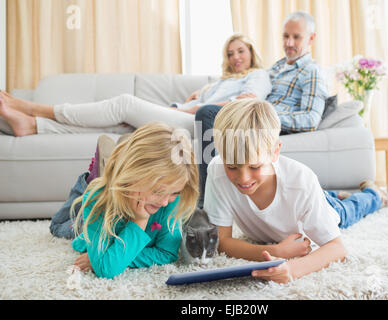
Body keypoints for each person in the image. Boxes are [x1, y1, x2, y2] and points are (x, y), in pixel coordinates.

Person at [203, 99, 388, 284]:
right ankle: (333, 194)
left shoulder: (301, 181)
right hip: (305, 201)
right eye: (232, 166)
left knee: (349, 210)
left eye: (254, 166)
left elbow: (336, 248)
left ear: (275, 151)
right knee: (327, 198)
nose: (243, 178)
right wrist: (277, 252)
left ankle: (374, 195)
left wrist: (292, 269)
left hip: (324, 206)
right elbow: (222, 242)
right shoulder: (217, 170)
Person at [0, 33, 271, 138]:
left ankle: (32, 107)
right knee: (120, 125)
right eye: (230, 53)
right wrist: (199, 95)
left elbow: (246, 103)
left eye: (240, 51)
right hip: (181, 113)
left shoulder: (258, 75)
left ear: (251, 52)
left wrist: (195, 107)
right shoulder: (221, 81)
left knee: (123, 104)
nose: (235, 57)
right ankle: (34, 126)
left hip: (199, 125)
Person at [195, 11, 328, 207]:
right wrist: (201, 93)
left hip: (266, 122)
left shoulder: (312, 72)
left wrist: (265, 112)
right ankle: (215, 195)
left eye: (296, 37)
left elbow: (310, 119)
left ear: (311, 38)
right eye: (285, 36)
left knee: (206, 113)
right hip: (252, 115)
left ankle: (205, 202)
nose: (289, 43)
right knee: (207, 111)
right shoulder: (276, 67)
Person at [70, 122, 199, 279]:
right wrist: (139, 221)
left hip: (121, 183)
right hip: (101, 198)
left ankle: (116, 151)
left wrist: (113, 256)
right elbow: (106, 268)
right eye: (158, 191)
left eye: (175, 192)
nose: (165, 202)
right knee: (61, 226)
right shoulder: (96, 200)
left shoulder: (171, 198)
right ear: (133, 175)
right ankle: (102, 161)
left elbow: (167, 253)